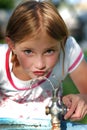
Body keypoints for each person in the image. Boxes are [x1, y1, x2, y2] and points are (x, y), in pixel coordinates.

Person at [0, 0, 87, 129]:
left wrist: (83, 99)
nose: (40, 65)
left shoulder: (67, 50)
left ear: (62, 43)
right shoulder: (1, 61)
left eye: (49, 51)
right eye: (28, 51)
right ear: (12, 45)